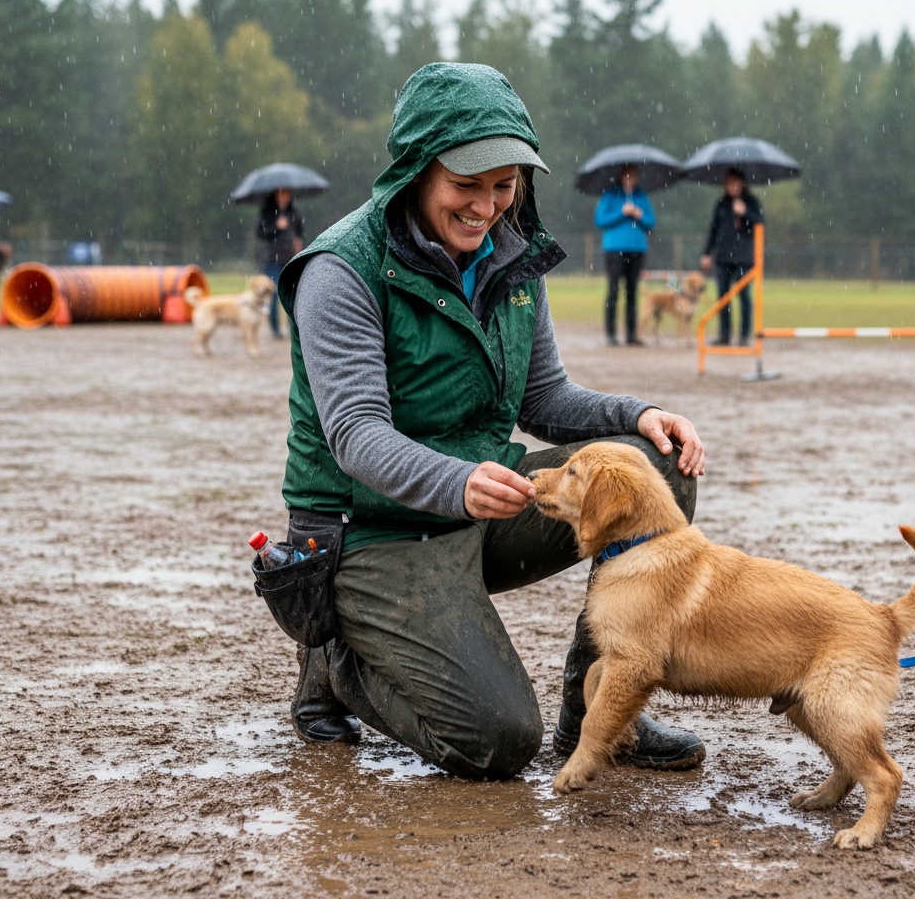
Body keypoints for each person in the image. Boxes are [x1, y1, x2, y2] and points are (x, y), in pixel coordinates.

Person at [275, 62, 707, 781]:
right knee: (497, 742)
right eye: (466, 185)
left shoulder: (513, 254)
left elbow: (545, 398)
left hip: (480, 497)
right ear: (417, 171)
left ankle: (596, 713)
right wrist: (458, 482)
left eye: (504, 185)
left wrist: (641, 413)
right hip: (371, 527)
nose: (486, 207)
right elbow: (355, 434)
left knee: (652, 470)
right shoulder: (340, 270)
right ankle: (338, 659)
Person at [699, 168, 764, 346]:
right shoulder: (721, 204)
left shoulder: (752, 202)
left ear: (742, 184)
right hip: (722, 257)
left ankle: (744, 335)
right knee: (723, 298)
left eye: (735, 183)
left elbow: (760, 223)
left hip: (744, 258)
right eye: (728, 183)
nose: (732, 187)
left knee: (744, 297)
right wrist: (707, 253)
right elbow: (713, 230)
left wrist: (745, 213)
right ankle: (724, 335)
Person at [594, 164, 656, 346]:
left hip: (637, 249)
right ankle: (611, 333)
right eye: (627, 175)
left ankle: (631, 334)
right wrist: (621, 212)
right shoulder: (610, 195)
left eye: (633, 176)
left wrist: (638, 214)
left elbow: (651, 222)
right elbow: (600, 220)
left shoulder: (641, 196)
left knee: (632, 292)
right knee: (613, 291)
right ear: (621, 177)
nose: (630, 179)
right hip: (614, 249)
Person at [255, 188, 304, 338]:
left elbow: (299, 232)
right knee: (273, 294)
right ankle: (275, 328)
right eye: (281, 194)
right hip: (272, 258)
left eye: (287, 194)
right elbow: (260, 233)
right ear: (275, 195)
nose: (284, 197)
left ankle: (293, 327)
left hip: (291, 258)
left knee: (293, 294)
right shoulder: (267, 213)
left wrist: (298, 242)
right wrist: (276, 228)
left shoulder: (293, 212)